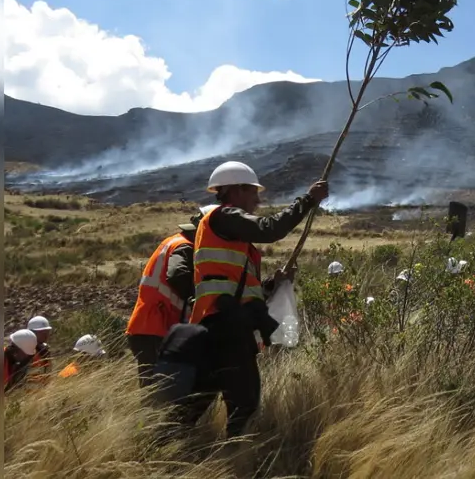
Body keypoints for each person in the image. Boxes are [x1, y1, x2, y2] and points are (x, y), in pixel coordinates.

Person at [182, 160, 328, 438]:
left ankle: (164, 448)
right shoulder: (225, 217)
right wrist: (308, 200)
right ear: (235, 190)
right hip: (227, 328)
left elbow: (236, 287)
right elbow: (270, 229)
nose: (258, 201)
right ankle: (238, 460)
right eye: (253, 193)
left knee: (197, 402)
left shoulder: (225, 233)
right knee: (245, 403)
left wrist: (274, 284)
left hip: (214, 325)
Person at [124, 210, 204, 387]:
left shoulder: (174, 241)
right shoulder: (186, 247)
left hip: (147, 326)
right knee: (161, 394)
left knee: (153, 392)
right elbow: (177, 274)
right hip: (157, 326)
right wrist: (198, 296)